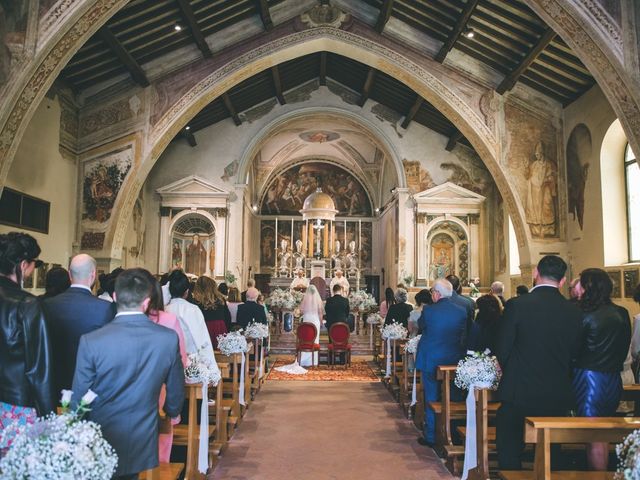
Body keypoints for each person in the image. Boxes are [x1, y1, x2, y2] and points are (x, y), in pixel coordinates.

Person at [72, 268, 185, 479]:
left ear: (115, 297)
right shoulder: (167, 339)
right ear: (146, 301)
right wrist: (172, 411)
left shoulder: (91, 340)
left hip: (100, 432)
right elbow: (176, 389)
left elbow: (79, 397)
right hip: (141, 433)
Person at [496, 255, 582, 470]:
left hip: (519, 387)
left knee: (510, 442)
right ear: (562, 281)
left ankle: (510, 472)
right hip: (556, 389)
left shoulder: (517, 305)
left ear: (535, 273)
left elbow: (502, 348)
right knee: (551, 447)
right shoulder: (573, 310)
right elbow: (576, 352)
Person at [573, 268, 631, 470]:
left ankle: (597, 475)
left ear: (588, 286)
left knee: (594, 435)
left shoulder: (583, 314)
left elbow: (575, 348)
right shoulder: (621, 313)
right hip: (613, 378)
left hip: (588, 379)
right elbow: (625, 347)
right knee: (601, 432)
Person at [0, 232, 53, 446]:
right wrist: (49, 417)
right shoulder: (27, 304)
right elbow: (38, 369)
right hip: (15, 406)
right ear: (23, 265)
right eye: (33, 265)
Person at [44, 254, 116, 393]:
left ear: (70, 274)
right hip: (91, 385)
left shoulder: (47, 305)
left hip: (54, 382)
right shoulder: (105, 308)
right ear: (94, 274)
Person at [140, 270, 187, 463]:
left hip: (122, 406)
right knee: (160, 450)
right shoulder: (168, 321)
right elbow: (180, 361)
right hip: (160, 393)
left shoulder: (108, 328)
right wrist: (174, 407)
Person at [415, 278, 467, 447]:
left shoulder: (429, 311)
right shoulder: (462, 311)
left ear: (436, 294)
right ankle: (452, 432)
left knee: (431, 396)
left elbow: (421, 326)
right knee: (453, 397)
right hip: (453, 360)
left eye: (432, 292)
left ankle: (431, 436)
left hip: (431, 359)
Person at [166, 271, 216, 366]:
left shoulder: (163, 309)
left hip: (167, 362)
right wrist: (211, 368)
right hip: (190, 363)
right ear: (187, 291)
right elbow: (202, 339)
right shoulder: (192, 310)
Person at [192, 276, 231, 349]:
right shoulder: (221, 299)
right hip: (219, 329)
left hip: (203, 329)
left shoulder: (196, 301)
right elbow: (227, 317)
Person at [298, 285, 324, 367]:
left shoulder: (305, 299)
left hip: (307, 318)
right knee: (315, 339)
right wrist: (321, 322)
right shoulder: (318, 300)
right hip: (315, 320)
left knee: (305, 338)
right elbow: (320, 312)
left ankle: (303, 360)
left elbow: (301, 311)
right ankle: (314, 361)